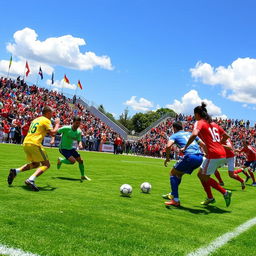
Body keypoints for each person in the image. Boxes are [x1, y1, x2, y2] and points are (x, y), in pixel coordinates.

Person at [181, 102, 232, 207]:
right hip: (221, 153)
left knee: (204, 177)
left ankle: (225, 193)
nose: (194, 117)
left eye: (194, 114)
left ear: (197, 114)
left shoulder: (199, 122)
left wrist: (185, 147)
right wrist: (219, 144)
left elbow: (194, 134)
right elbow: (227, 135)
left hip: (213, 154)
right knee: (200, 175)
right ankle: (210, 197)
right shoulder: (214, 124)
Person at [7, 106, 60, 191]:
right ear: (47, 113)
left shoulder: (36, 120)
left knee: (36, 164)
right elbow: (53, 133)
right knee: (46, 164)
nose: (52, 114)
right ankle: (31, 180)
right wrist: (57, 124)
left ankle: (15, 171)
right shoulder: (46, 120)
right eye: (51, 113)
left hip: (26, 143)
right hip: (35, 143)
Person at [163, 121, 204, 207]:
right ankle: (173, 194)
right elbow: (203, 144)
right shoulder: (189, 133)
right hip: (199, 158)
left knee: (173, 173)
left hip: (190, 157)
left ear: (174, 128)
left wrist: (167, 158)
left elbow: (168, 146)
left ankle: (175, 200)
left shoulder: (174, 135)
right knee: (179, 175)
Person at [54, 116, 91, 181]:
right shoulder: (66, 128)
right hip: (63, 148)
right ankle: (60, 160)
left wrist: (80, 144)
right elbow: (56, 131)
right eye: (76, 123)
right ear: (73, 122)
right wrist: (52, 139)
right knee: (73, 161)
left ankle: (82, 176)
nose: (78, 125)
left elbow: (79, 139)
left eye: (79, 124)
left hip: (70, 148)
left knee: (81, 161)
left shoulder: (79, 131)